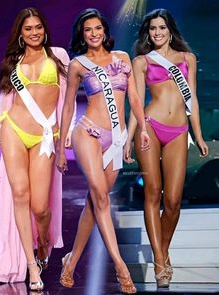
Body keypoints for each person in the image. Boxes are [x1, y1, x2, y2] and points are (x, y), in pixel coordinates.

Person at [56, 8, 150, 294]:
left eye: (98, 28)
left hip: (117, 139)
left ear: (105, 32)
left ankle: (71, 261)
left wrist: (142, 129)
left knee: (93, 202)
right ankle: (121, 266)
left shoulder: (122, 58)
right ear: (82, 35)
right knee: (99, 195)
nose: (94, 33)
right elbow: (69, 105)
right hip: (87, 133)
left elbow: (134, 96)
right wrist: (61, 148)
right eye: (88, 30)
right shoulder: (78, 65)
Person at [0, 7, 76, 291]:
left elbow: (68, 99)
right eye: (28, 29)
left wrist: (67, 134)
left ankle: (44, 243)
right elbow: (4, 106)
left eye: (37, 27)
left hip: (45, 135)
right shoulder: (13, 62)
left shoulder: (58, 56)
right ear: (20, 34)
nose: (34, 32)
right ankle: (31, 266)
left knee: (40, 207)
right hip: (14, 129)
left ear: (44, 29)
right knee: (20, 196)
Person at [124, 8, 208, 288]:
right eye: (152, 29)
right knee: (152, 193)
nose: (157, 33)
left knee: (172, 201)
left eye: (161, 28)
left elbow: (192, 98)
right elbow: (135, 103)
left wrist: (199, 135)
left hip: (178, 131)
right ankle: (161, 261)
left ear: (170, 29)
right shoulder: (141, 61)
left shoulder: (188, 58)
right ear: (148, 33)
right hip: (150, 126)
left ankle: (162, 249)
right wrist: (128, 138)